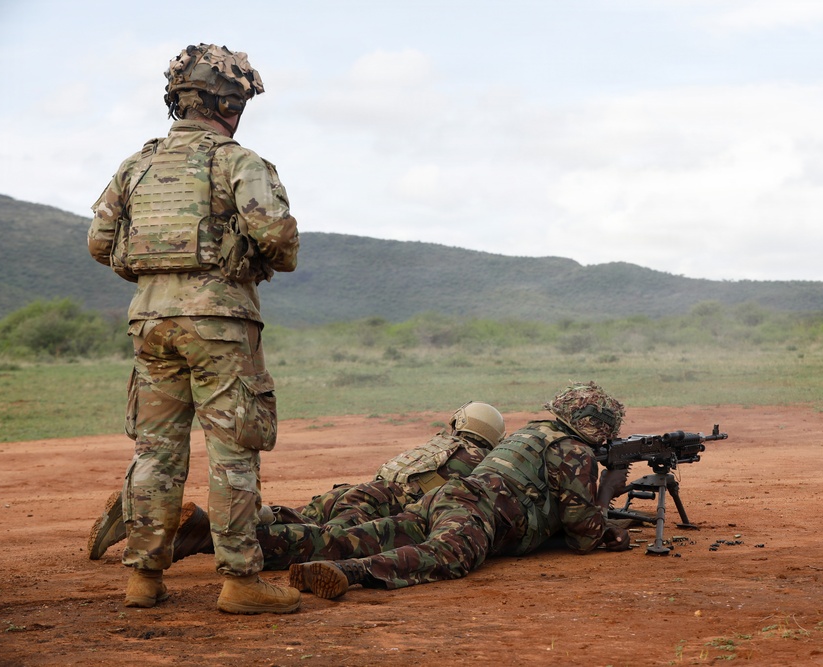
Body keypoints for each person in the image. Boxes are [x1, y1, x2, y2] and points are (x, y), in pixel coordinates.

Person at [87, 43, 301, 614]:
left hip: (151, 321)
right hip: (221, 325)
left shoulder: (136, 165)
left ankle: (143, 577)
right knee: (233, 451)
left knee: (155, 451)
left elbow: (99, 243)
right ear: (229, 103)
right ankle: (238, 581)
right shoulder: (239, 162)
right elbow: (277, 237)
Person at [286, 381, 632, 599]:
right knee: (447, 555)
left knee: (368, 535)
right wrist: (606, 495)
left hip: (447, 496)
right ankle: (352, 571)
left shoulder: (529, 433)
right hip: (475, 511)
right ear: (599, 426)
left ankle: (272, 547)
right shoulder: (576, 452)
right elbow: (584, 538)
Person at [90, 402, 507, 569]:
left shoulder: (439, 441)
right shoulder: (479, 459)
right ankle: (200, 533)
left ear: (460, 421)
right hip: (385, 502)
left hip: (359, 488)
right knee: (324, 540)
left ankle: (151, 516)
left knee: (296, 515)